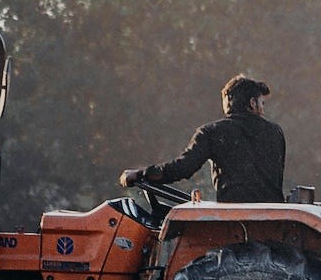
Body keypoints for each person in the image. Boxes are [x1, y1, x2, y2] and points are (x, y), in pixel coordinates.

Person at [121, 74, 286, 202]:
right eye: (262, 104)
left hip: (235, 223)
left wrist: (141, 174)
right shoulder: (276, 132)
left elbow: (183, 168)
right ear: (252, 103)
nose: (263, 110)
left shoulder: (211, 132)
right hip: (274, 223)